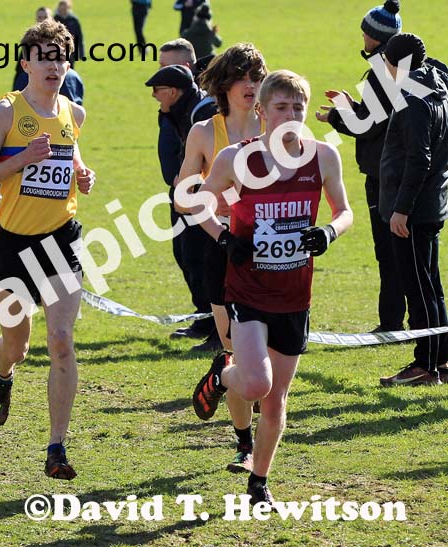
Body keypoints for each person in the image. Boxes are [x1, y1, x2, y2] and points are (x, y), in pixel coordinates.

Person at [186, 70, 353, 505]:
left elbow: (345, 211)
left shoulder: (322, 157)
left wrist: (329, 232)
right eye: (281, 107)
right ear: (261, 111)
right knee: (256, 384)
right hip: (247, 290)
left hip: (295, 295)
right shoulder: (237, 159)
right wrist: (223, 237)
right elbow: (196, 201)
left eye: (298, 107)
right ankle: (223, 376)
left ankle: (259, 482)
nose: (292, 115)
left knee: (276, 399)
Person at [0, 19, 95, 480]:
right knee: (15, 346)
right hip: (13, 244)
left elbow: (71, 154)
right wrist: (22, 159)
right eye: (44, 58)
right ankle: (2, 375)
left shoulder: (74, 113)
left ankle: (56, 446)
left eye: (60, 58)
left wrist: (83, 174)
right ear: (26, 63)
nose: (54, 66)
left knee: (60, 340)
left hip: (61, 239)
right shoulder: (4, 113)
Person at [175, 43, 267, 473]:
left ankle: (237, 399)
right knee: (235, 351)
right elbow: (182, 197)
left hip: (270, 247)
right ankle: (243, 445)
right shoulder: (205, 132)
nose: (250, 86)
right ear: (224, 85)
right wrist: (216, 214)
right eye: (241, 78)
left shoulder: (275, 125)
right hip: (222, 246)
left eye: (256, 78)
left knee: (266, 351)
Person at [315, 0, 405, 333]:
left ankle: (393, 323)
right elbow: (379, 115)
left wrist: (335, 116)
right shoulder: (403, 66)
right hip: (400, 173)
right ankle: (408, 322)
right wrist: (349, 105)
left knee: (390, 253)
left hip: (385, 176)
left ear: (375, 37)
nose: (362, 38)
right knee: (403, 254)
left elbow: (367, 126)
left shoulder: (383, 72)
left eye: (365, 33)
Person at [378, 34, 448, 386]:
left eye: (386, 62)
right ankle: (442, 358)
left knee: (419, 289)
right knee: (431, 285)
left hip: (414, 211)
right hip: (432, 203)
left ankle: (426, 365)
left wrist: (401, 209)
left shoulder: (411, 98)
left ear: (397, 63)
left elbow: (419, 158)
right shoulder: (437, 85)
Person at [146, 63, 216, 341]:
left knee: (200, 259)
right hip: (184, 194)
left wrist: (192, 183)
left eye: (157, 90)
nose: (154, 95)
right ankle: (204, 318)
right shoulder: (176, 111)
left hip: (201, 197)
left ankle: (217, 327)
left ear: (173, 91)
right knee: (186, 255)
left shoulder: (201, 112)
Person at [54, 1, 84, 66]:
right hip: (57, 49)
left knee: (70, 67)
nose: (63, 10)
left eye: (65, 8)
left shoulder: (73, 19)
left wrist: (81, 53)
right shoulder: (54, 19)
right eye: (62, 8)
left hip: (71, 49)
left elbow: (79, 36)